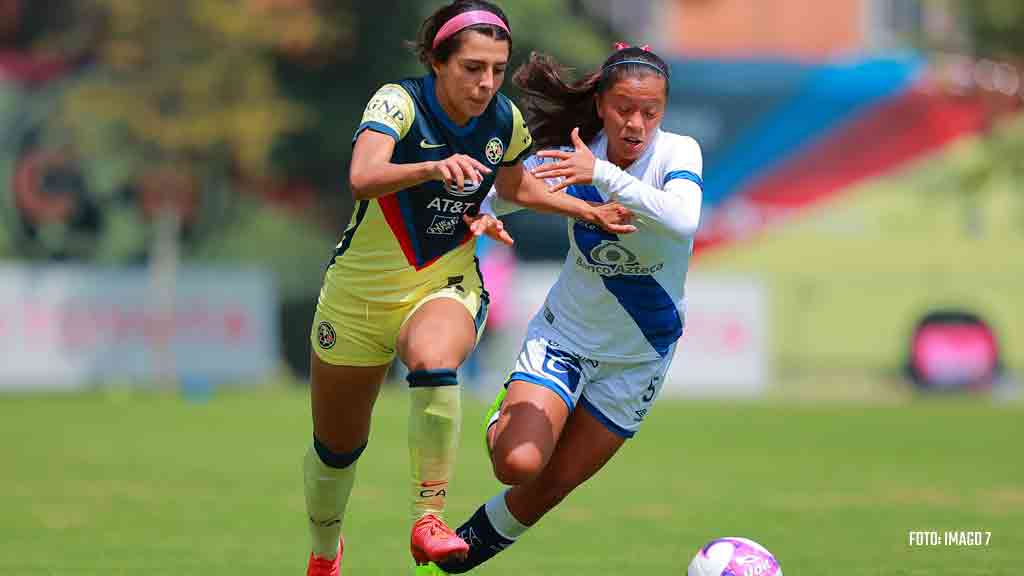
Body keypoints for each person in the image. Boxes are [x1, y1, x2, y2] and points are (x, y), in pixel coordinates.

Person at [302, 3, 636, 575]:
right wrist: (431, 169)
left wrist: (585, 212)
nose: (486, 84)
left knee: (434, 359)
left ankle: (428, 520)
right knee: (337, 450)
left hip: (444, 283)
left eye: (497, 70)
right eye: (472, 68)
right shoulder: (398, 102)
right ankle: (324, 554)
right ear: (438, 61)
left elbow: (516, 186)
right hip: (356, 298)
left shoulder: (504, 120)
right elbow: (362, 177)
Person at [434, 43, 704, 574]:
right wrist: (481, 214)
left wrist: (600, 174)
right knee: (519, 464)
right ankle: (505, 415)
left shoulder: (678, 153)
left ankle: (445, 562)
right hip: (567, 340)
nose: (637, 123)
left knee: (551, 485)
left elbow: (683, 219)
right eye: (624, 108)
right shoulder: (570, 155)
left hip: (640, 357)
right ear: (601, 103)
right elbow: (502, 193)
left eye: (650, 112)